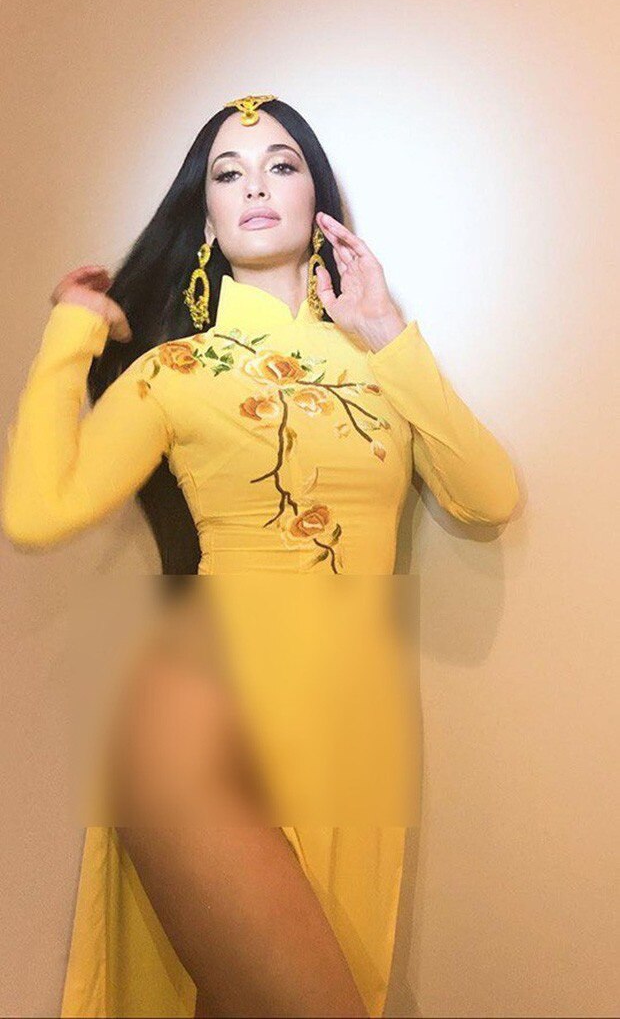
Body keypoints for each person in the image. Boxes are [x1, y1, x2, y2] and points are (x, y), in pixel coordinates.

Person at [0, 94, 520, 1018]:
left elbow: (489, 497)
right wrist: (70, 334)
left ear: (317, 200)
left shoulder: (381, 364)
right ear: (205, 221)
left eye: (281, 165)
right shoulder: (174, 371)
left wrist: (386, 331)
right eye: (227, 173)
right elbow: (39, 513)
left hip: (351, 728)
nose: (254, 187)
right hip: (201, 708)